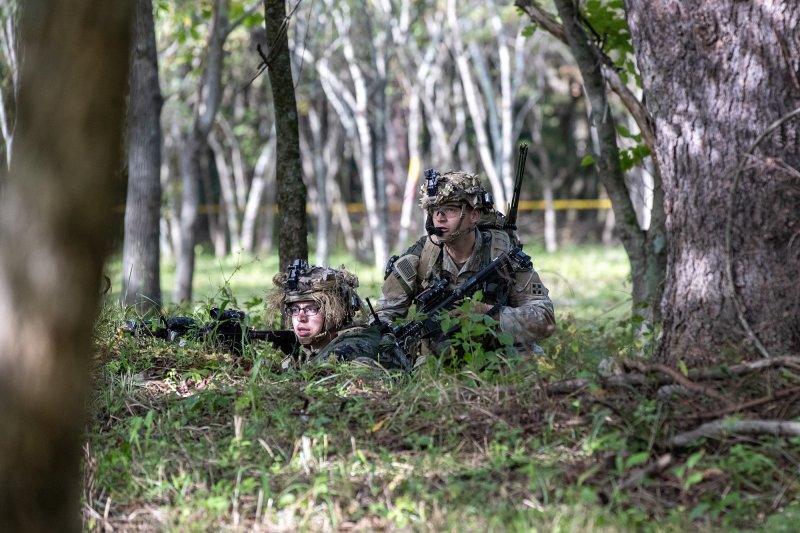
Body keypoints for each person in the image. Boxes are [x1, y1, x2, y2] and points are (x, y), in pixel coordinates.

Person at [375, 170, 556, 361]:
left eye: (451, 209)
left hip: (500, 354)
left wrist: (488, 314)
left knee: (531, 364)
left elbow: (545, 320)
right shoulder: (419, 259)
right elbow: (382, 318)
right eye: (435, 210)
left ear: (474, 215)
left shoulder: (503, 255)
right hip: (438, 359)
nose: (440, 217)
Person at [267, 260, 409, 371]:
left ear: (336, 311)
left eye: (311, 309)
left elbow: (312, 378)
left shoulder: (353, 344)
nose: (300, 318)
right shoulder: (317, 345)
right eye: (295, 309)